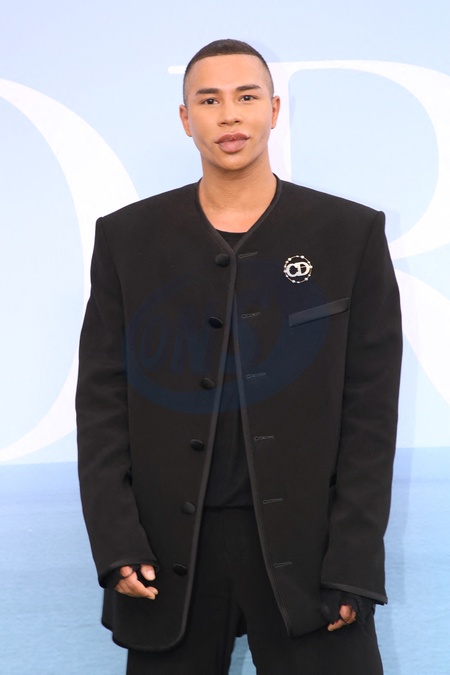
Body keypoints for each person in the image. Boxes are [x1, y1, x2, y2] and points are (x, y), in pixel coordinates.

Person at [76, 39, 402, 674]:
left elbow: (371, 414)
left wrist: (354, 562)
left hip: (312, 556)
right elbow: (102, 404)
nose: (229, 115)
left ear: (274, 110)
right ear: (185, 118)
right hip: (170, 560)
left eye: (246, 97)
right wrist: (117, 545)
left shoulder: (349, 234)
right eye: (209, 100)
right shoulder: (127, 238)